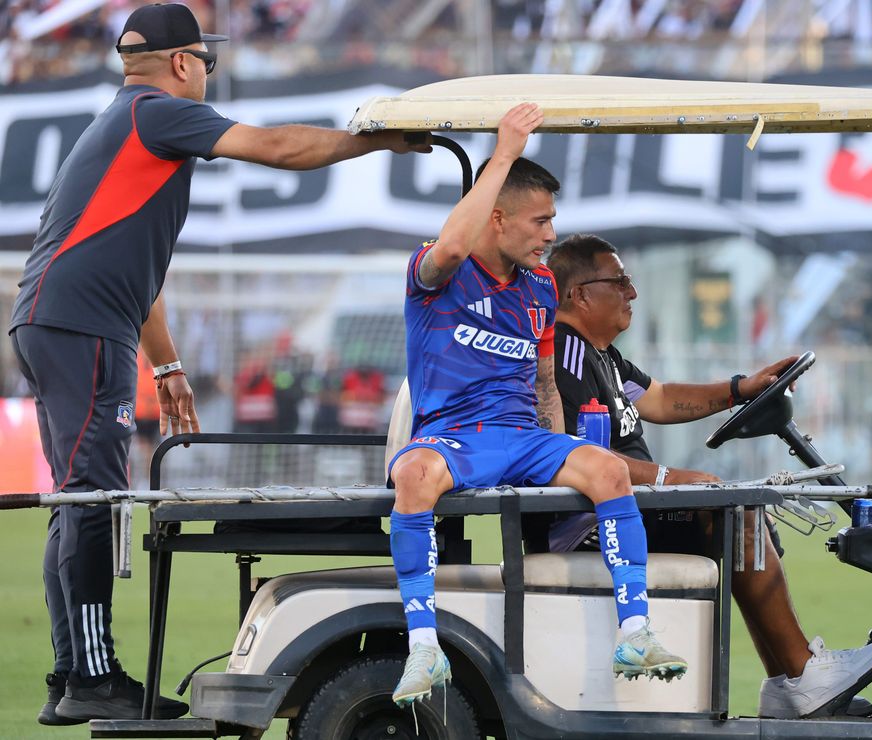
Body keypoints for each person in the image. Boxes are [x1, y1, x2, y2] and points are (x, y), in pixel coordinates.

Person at [9, 3, 431, 725]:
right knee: (90, 497)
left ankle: (72, 672)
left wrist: (167, 370)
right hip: (78, 325)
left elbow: (133, 276)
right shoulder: (155, 112)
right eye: (207, 59)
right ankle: (91, 673)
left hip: (68, 320)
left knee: (80, 499)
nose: (208, 71)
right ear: (182, 63)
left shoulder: (126, 122)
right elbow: (274, 146)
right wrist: (376, 142)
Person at [386, 103, 685, 709]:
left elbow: (545, 383)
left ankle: (635, 633)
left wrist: (560, 445)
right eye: (541, 220)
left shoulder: (542, 288)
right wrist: (503, 151)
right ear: (496, 220)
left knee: (607, 468)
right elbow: (450, 242)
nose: (552, 234)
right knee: (414, 474)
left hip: (521, 436)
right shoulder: (437, 273)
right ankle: (423, 646)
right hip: (454, 436)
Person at [537, 233, 872, 719]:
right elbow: (581, 457)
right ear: (579, 294)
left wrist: (740, 389)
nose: (631, 293)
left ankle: (790, 683)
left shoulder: (602, 355)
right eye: (619, 282)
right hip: (587, 522)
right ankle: (799, 671)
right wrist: (675, 478)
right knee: (736, 509)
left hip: (620, 509)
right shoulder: (565, 356)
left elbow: (660, 398)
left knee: (739, 512)